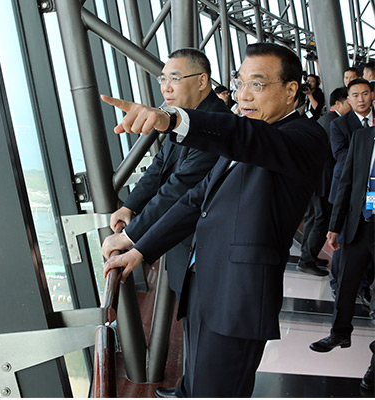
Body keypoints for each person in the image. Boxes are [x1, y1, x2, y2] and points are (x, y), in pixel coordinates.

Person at [101, 42, 328, 397]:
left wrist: (172, 118)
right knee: (197, 380)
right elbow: (196, 200)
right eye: (240, 84)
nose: (244, 96)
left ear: (290, 91)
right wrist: (139, 247)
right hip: (206, 284)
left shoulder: (303, 138)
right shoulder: (248, 132)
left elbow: (246, 137)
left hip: (237, 298)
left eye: (257, 84)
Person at [108, 48, 230, 302]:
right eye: (163, 79)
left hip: (202, 250)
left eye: (174, 78)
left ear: (202, 81)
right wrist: (130, 206)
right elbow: (161, 165)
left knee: (200, 316)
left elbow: (181, 185)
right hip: (180, 243)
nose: (166, 88)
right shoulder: (184, 117)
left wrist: (128, 237)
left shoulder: (215, 122)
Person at [309, 125, 375, 353]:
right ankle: (339, 334)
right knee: (346, 283)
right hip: (359, 225)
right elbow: (347, 181)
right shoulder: (363, 136)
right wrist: (335, 226)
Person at [297, 87, 351, 276]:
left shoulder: (325, 119)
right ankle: (307, 259)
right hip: (324, 179)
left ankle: (307, 256)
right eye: (349, 101)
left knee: (314, 218)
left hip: (315, 177)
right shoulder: (336, 122)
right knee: (321, 219)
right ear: (338, 103)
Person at [328, 78, 374, 301]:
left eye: (365, 94)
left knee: (368, 240)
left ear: (371, 95)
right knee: (345, 239)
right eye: (355, 95)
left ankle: (363, 286)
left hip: (372, 192)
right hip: (348, 191)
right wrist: (369, 162)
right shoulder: (339, 124)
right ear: (349, 99)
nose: (361, 99)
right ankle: (338, 282)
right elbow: (341, 156)